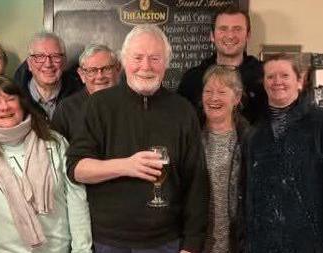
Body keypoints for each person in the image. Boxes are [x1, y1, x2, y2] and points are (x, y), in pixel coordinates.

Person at [67, 24, 208, 253]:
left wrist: (192, 244)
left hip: (166, 242)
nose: (146, 66)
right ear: (123, 62)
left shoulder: (183, 111)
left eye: (155, 58)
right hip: (109, 242)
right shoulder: (99, 105)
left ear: (166, 63)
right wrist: (126, 165)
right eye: (138, 57)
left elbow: (196, 183)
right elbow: (76, 169)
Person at [0, 76, 92, 253]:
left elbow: (77, 199)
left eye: (10, 99)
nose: (4, 107)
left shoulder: (54, 143)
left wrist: (82, 250)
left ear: (22, 103)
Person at [244, 53, 323, 252]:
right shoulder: (254, 134)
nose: (277, 81)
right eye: (270, 77)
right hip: (263, 244)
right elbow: (248, 193)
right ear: (264, 83)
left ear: (299, 81)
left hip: (310, 243)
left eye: (284, 75)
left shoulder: (319, 124)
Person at [177, 5, 267, 124]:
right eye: (223, 29)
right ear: (212, 36)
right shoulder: (192, 79)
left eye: (237, 29)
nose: (230, 35)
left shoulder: (266, 76)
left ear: (248, 35)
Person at [200, 65, 249, 253]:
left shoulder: (250, 141)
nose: (213, 98)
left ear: (236, 98)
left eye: (221, 91)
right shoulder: (190, 138)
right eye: (208, 91)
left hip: (236, 246)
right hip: (197, 245)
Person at [52, 44, 121, 141]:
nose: (100, 76)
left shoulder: (132, 103)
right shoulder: (66, 109)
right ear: (82, 75)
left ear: (118, 69)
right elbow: (56, 150)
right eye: (92, 70)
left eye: (106, 69)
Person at [13, 32, 82, 121]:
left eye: (55, 56)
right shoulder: (13, 99)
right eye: (40, 56)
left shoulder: (80, 97)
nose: (48, 64)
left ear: (64, 62)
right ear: (29, 64)